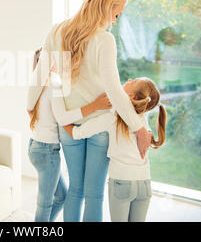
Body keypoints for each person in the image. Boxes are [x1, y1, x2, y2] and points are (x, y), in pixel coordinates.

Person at [27, 0, 153, 222]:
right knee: (93, 194)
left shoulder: (56, 31)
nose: (115, 21)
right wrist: (138, 128)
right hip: (100, 124)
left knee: (75, 190)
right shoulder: (104, 40)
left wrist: (30, 105)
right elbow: (115, 90)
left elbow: (39, 75)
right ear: (106, 6)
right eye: (116, 14)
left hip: (70, 125)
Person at [62, 77, 167, 222]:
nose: (129, 79)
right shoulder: (142, 120)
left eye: (134, 81)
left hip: (122, 183)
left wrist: (62, 121)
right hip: (145, 184)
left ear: (132, 97)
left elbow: (77, 133)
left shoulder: (112, 117)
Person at [27, 50, 111, 222]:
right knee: (45, 203)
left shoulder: (36, 87)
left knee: (62, 196)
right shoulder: (54, 86)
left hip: (35, 146)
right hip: (47, 151)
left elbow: (30, 111)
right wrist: (96, 105)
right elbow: (63, 118)